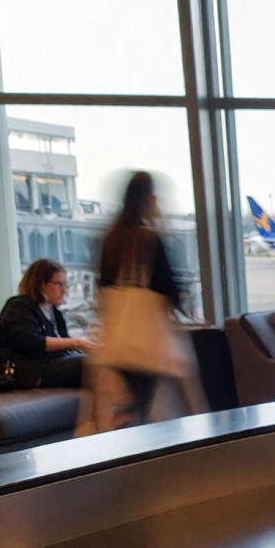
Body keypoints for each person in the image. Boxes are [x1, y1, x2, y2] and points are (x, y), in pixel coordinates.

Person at [91, 171, 203, 430]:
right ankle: (205, 444)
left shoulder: (110, 240)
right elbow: (169, 294)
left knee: (133, 409)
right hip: (148, 344)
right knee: (184, 396)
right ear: (148, 199)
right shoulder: (150, 239)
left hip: (117, 346)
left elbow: (103, 292)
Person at [0, 258, 94, 389]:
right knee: (94, 365)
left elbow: (63, 343)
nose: (64, 290)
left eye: (65, 285)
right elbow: (29, 342)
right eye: (59, 284)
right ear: (40, 284)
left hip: (54, 363)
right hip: (29, 370)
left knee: (107, 361)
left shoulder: (55, 312)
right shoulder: (18, 307)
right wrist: (76, 342)